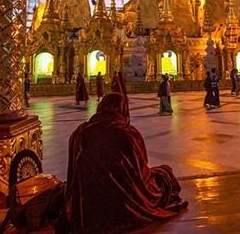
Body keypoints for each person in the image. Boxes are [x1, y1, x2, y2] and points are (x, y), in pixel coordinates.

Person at [65, 93, 187, 232]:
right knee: (165, 173)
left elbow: (72, 177)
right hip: (121, 204)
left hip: (86, 207)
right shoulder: (127, 134)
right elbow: (141, 174)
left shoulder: (79, 133)